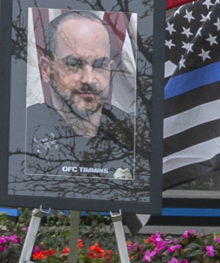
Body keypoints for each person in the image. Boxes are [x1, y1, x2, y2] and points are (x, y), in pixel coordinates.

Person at [21, 10, 142, 197]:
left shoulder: (132, 136)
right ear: (46, 70)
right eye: (74, 64)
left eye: (99, 65)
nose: (89, 79)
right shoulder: (23, 135)